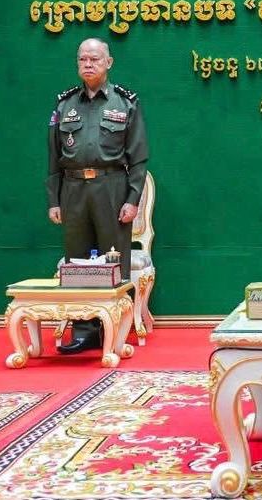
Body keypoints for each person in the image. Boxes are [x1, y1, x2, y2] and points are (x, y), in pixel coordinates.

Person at [47, 38, 149, 354]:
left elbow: (138, 158)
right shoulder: (65, 105)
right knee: (77, 261)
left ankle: (116, 329)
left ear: (108, 62)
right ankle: (84, 330)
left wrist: (132, 199)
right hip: (74, 189)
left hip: (112, 187)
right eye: (83, 59)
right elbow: (53, 157)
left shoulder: (125, 103)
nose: (88, 64)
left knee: (114, 259)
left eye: (94, 59)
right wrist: (54, 200)